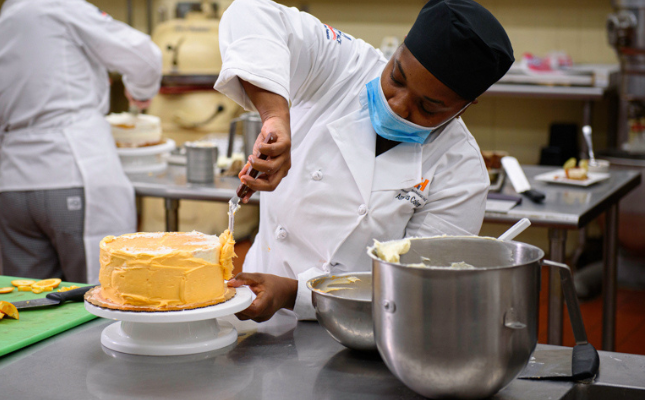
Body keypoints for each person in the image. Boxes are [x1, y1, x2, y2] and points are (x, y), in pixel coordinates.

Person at [215, 0, 514, 321]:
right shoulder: (345, 66)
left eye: (427, 107)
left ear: (465, 106)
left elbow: (417, 286)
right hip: (253, 305)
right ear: (398, 51)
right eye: (396, 78)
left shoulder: (462, 173)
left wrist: (293, 293)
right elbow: (249, 12)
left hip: (364, 331)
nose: (397, 106)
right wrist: (275, 116)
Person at [0, 0, 161, 283]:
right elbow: (144, 55)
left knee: (30, 303)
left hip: (13, 191)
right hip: (77, 173)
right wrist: (141, 92)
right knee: (101, 296)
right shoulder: (59, 8)